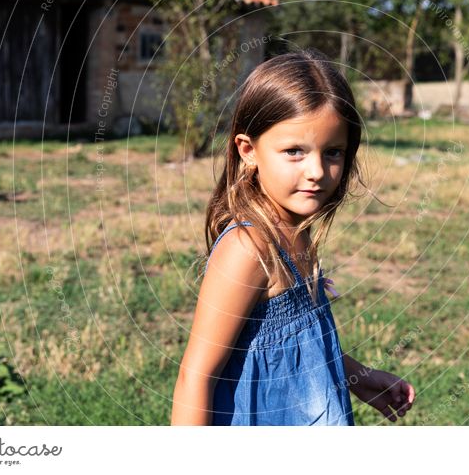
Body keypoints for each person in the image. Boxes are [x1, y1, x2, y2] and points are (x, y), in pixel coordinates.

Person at [170, 49, 416, 426]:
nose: (317, 171)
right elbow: (195, 378)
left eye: (333, 152)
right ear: (248, 151)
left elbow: (300, 342)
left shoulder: (297, 230)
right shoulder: (248, 249)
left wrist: (360, 378)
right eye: (294, 152)